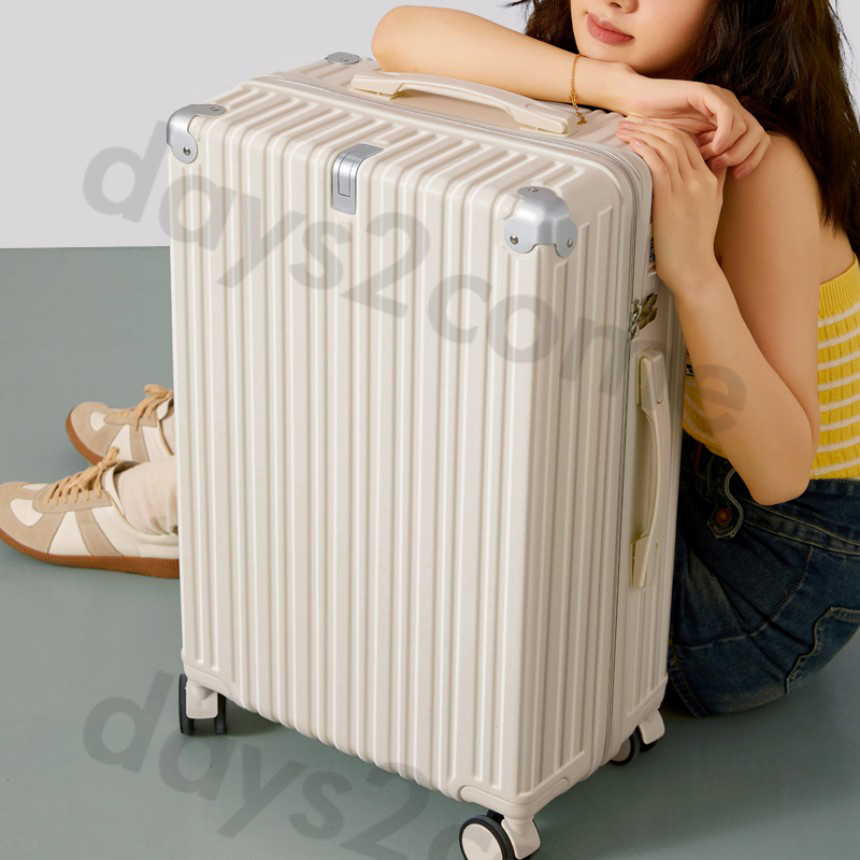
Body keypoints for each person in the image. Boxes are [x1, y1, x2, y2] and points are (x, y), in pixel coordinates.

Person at [2, 0, 859, 719]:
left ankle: (212, 498)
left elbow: (782, 471)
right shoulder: (622, 82)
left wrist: (693, 269)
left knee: (416, 441)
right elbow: (397, 37)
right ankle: (223, 438)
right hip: (678, 474)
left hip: (760, 575)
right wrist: (617, 88)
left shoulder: (762, 163)